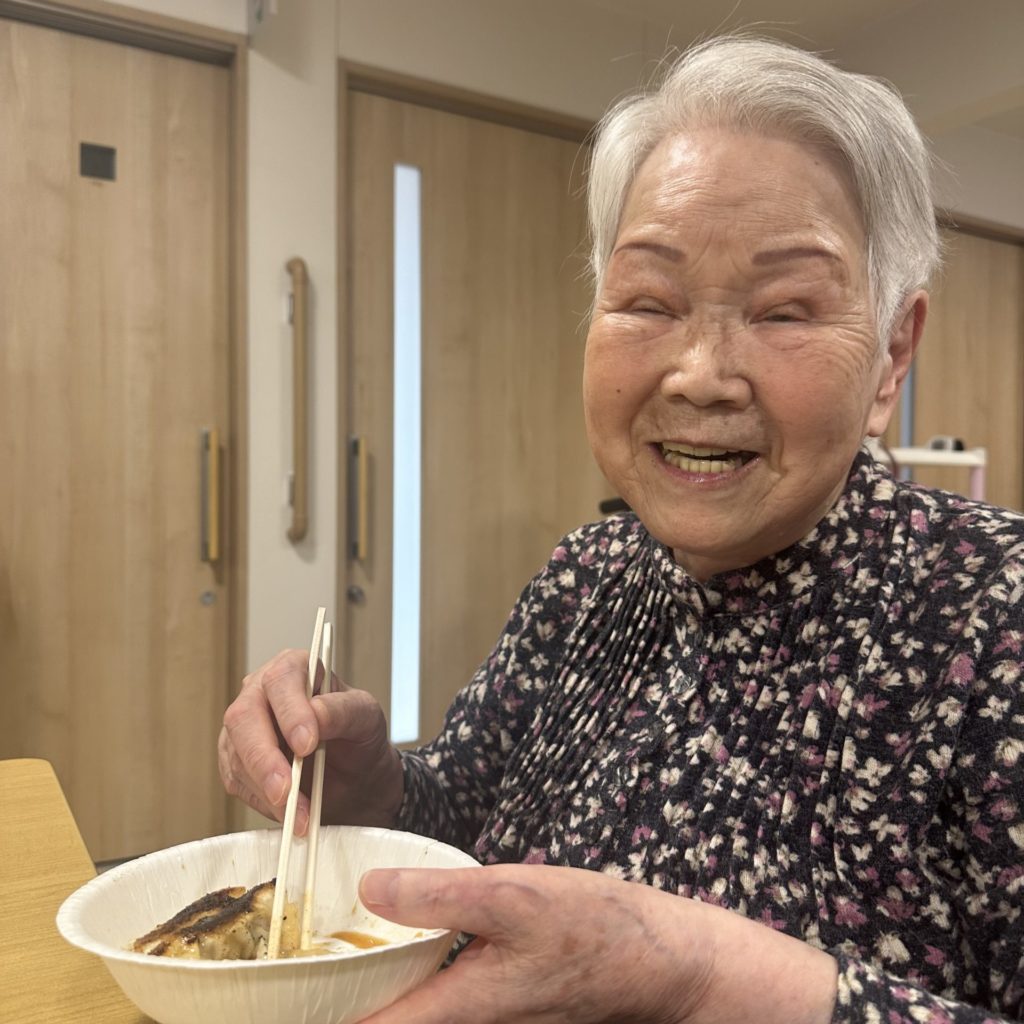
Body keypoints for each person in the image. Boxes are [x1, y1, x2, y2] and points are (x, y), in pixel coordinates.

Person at [219, 36, 1024, 1024]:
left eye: (783, 311)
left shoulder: (994, 613)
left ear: (892, 355)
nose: (700, 375)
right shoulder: (587, 575)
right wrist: (367, 786)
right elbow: (464, 822)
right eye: (647, 302)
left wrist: (697, 975)